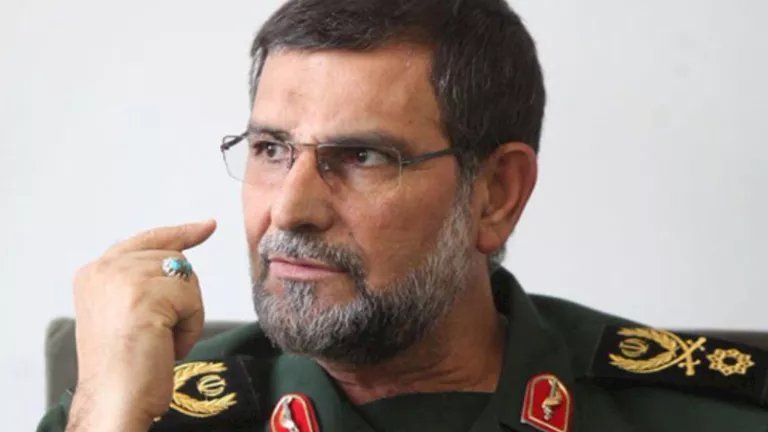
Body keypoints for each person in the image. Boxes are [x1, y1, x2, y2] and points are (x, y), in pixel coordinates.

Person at [37, 0, 768, 431]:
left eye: (361, 156)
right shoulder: (136, 410)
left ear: (495, 194)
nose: (290, 209)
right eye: (270, 149)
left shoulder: (708, 415)